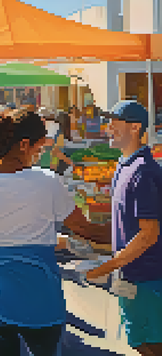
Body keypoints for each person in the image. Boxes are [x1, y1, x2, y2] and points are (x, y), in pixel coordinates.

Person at [0, 109, 111, 356]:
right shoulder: (48, 181)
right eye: (38, 150)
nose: (39, 156)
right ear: (24, 145)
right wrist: (132, 231)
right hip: (42, 301)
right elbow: (86, 229)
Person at [83, 101, 162, 356]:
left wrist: (106, 267)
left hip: (148, 279)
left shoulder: (144, 171)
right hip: (131, 277)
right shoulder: (124, 164)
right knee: (138, 342)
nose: (108, 128)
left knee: (151, 344)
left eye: (114, 122)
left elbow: (148, 234)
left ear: (135, 127)